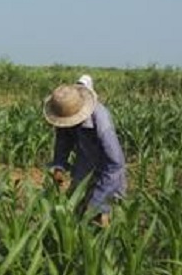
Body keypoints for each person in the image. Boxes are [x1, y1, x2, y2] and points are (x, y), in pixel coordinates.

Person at [43, 77, 127, 227]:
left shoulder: (101, 120)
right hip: (83, 168)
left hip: (107, 176)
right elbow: (63, 141)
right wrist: (59, 166)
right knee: (75, 215)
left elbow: (115, 164)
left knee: (100, 221)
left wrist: (97, 202)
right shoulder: (65, 111)